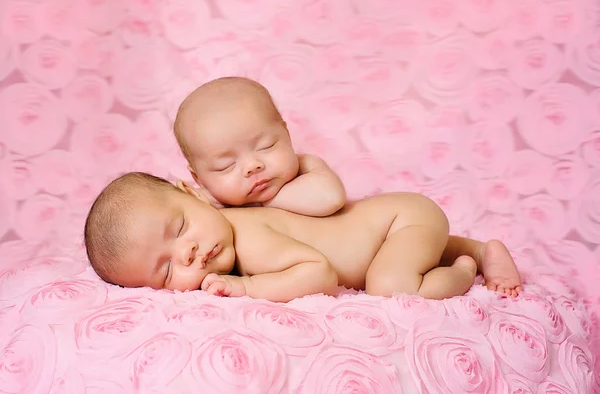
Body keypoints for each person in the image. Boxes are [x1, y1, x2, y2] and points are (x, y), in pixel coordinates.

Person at [83, 172, 523, 302]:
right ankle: (481, 247)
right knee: (396, 257)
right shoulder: (231, 233)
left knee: (390, 285)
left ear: (192, 191)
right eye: (167, 270)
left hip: (399, 222)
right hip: (396, 223)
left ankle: (465, 270)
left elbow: (321, 272)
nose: (189, 252)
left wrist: (247, 286)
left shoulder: (249, 237)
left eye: (179, 228)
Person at [173, 76, 346, 217]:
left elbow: (330, 198)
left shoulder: (307, 167)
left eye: (266, 146)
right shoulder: (208, 205)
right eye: (226, 165)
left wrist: (257, 204)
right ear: (198, 178)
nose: (252, 166)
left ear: (287, 135)